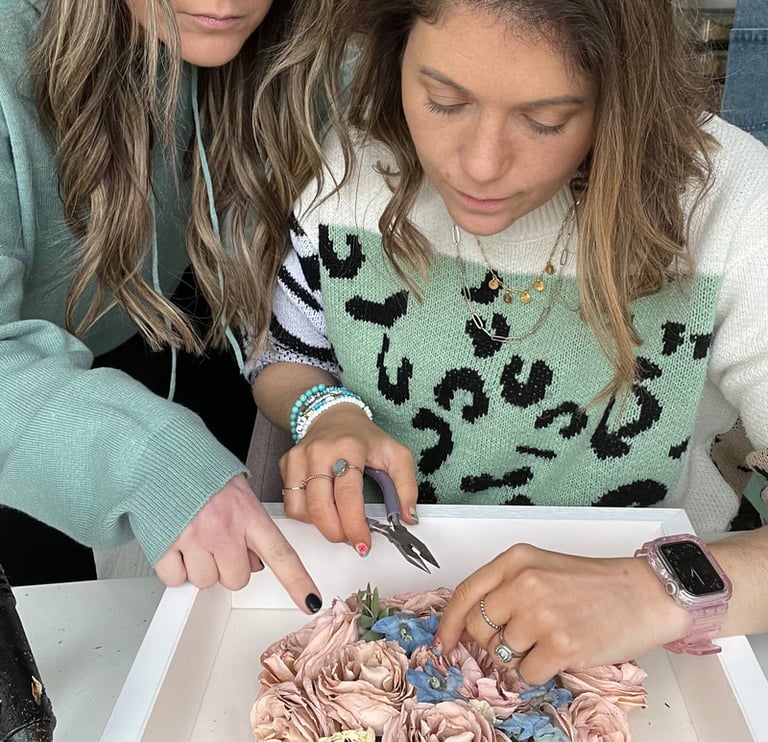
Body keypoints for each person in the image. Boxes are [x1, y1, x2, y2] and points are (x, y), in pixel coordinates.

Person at [249, 0, 768, 675]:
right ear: (395, 49)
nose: (482, 164)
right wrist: (326, 414)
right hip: (380, 597)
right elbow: (289, 356)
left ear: (623, 92)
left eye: (545, 120)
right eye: (443, 101)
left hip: (661, 651)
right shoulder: (346, 169)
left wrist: (656, 591)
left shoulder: (733, 202)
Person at [0, 0, 346, 613]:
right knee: (47, 614)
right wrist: (146, 459)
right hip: (23, 369)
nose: (225, 3)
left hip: (184, 302)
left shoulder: (309, 27)